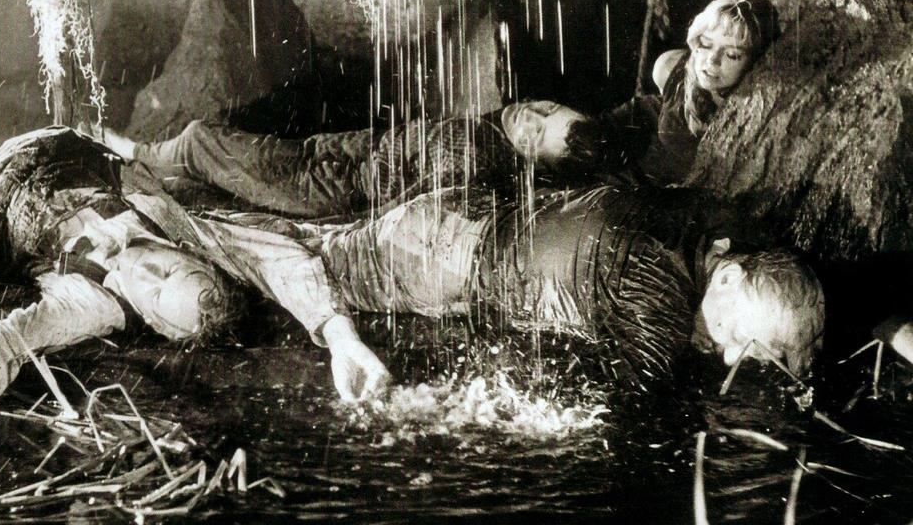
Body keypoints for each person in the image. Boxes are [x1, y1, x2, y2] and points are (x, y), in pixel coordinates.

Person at [0, 126, 389, 459]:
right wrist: (341, 337)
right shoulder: (183, 230)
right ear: (191, 257)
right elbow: (279, 260)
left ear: (156, 323)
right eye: (172, 269)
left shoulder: (86, 305)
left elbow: (2, 344)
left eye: (156, 293)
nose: (147, 270)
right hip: (59, 144)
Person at [236, 183, 825, 386]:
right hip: (437, 258)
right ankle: (182, 210)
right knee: (285, 259)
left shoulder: (711, 230)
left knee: (317, 238)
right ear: (728, 275)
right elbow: (636, 410)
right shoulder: (660, 295)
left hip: (466, 214)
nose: (729, 355)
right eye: (735, 336)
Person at [98, 101, 612, 218]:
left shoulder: (474, 152)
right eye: (548, 108)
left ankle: (130, 154)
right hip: (332, 162)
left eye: (535, 133)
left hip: (333, 188)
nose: (528, 116)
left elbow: (405, 195)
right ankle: (143, 163)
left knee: (201, 142)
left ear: (535, 163)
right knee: (217, 153)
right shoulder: (485, 131)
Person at [605, 0, 781, 185]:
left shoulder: (756, 110)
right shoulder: (670, 68)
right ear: (696, 40)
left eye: (732, 54)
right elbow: (659, 109)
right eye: (706, 44)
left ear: (755, 62)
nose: (712, 60)